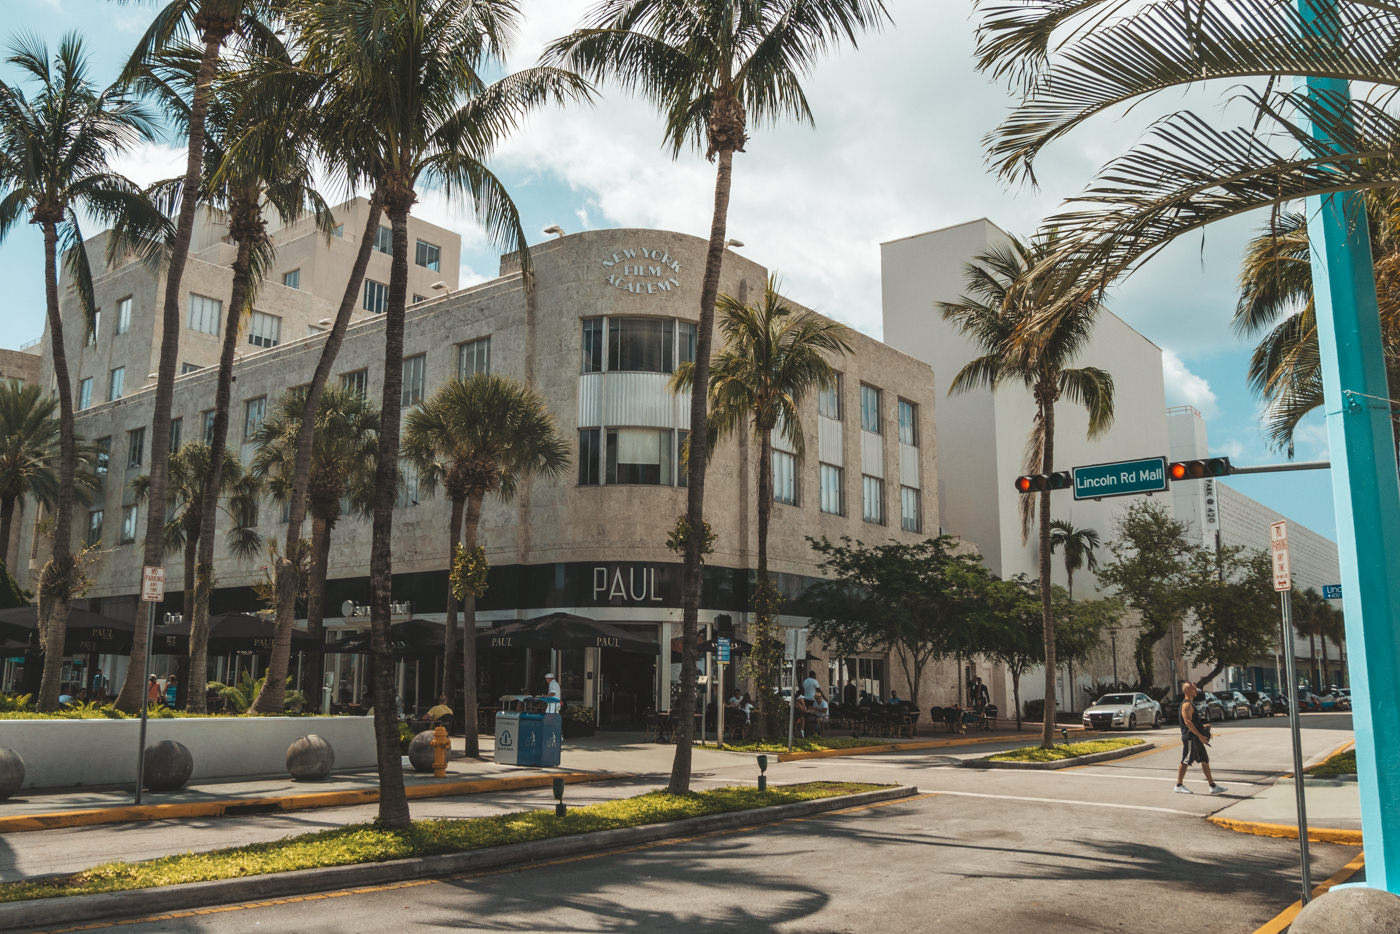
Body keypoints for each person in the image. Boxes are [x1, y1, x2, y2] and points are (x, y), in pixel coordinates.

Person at [1176, 682, 1227, 795]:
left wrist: (1203, 728)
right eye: (1193, 688)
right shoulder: (1187, 705)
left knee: (1204, 760)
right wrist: (1199, 735)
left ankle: (1212, 786)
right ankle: (1178, 785)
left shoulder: (1191, 704)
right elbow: (1187, 722)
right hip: (1190, 737)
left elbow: (1193, 722)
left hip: (1196, 738)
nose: (1196, 690)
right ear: (1187, 690)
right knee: (1186, 760)